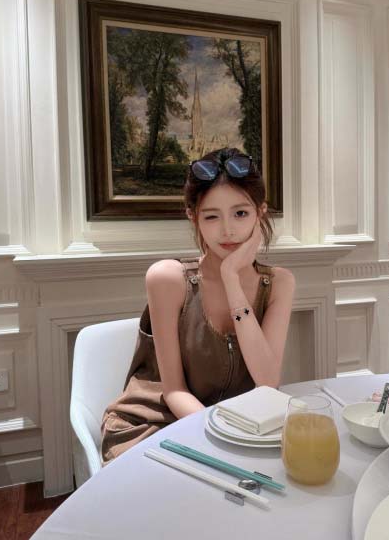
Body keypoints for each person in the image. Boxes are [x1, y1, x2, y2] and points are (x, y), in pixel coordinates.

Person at [101, 147, 295, 463]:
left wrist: (231, 278)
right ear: (193, 217)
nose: (228, 229)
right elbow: (174, 391)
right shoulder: (168, 279)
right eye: (212, 216)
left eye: (240, 213)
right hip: (154, 424)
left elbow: (267, 381)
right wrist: (219, 439)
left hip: (235, 428)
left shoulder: (278, 284)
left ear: (260, 213)